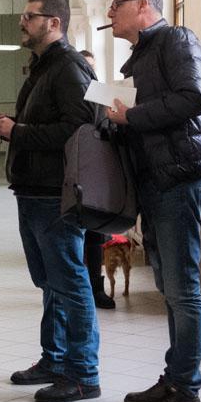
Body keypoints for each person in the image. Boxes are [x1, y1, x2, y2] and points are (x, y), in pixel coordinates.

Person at [104, 0, 201, 402]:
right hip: (160, 178)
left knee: (183, 289)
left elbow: (194, 96)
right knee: (172, 289)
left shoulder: (176, 39)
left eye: (117, 5)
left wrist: (130, 116)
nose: (110, 14)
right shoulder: (144, 54)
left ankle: (186, 393)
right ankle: (174, 379)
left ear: (143, 6)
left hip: (182, 177)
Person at [0, 0, 103, 402]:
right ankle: (54, 360)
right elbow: (50, 122)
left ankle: (83, 373)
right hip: (34, 188)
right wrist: (14, 124)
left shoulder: (68, 67)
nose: (22, 22)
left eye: (29, 16)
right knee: (51, 282)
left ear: (53, 22)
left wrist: (18, 132)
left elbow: (78, 130)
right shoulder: (44, 67)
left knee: (69, 281)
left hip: (55, 192)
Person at [79, 49, 116, 311]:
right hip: (76, 171)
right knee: (76, 236)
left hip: (98, 173)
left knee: (96, 237)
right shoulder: (72, 92)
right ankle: (81, 289)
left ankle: (96, 287)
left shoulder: (103, 96)